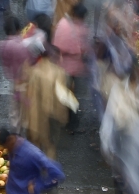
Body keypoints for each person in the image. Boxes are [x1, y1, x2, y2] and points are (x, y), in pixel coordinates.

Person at [22, 49, 69, 157]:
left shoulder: (33, 72)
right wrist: (63, 116)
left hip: (35, 116)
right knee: (50, 145)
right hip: (53, 115)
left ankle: (37, 167)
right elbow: (62, 96)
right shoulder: (59, 72)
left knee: (35, 143)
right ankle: (48, 169)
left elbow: (27, 95)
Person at [52, 3, 90, 135]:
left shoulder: (68, 24)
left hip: (73, 68)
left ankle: (68, 120)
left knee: (70, 95)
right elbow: (60, 47)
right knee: (70, 96)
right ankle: (71, 125)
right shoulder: (65, 26)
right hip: (66, 68)